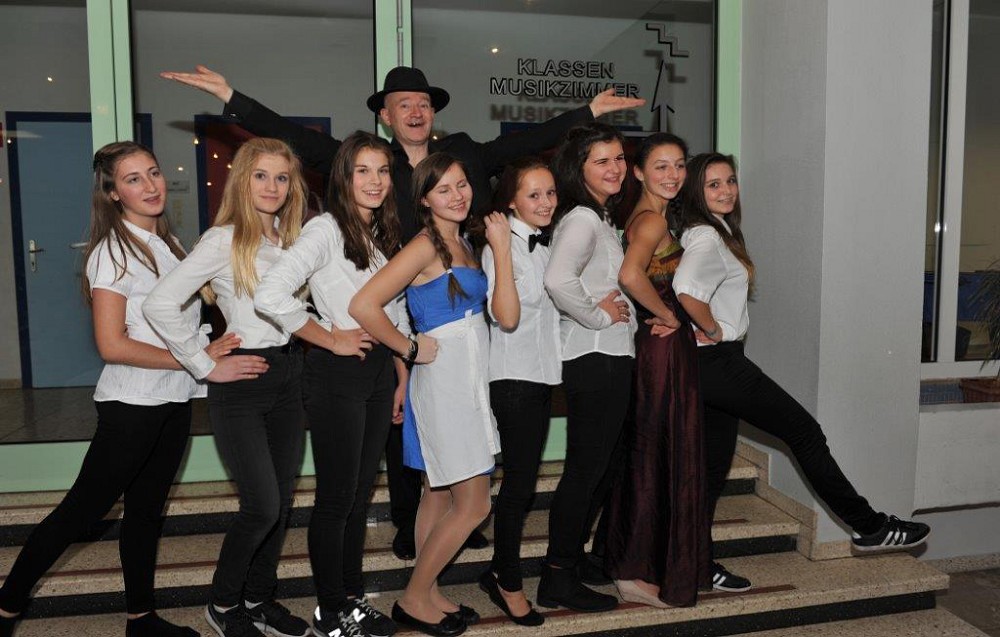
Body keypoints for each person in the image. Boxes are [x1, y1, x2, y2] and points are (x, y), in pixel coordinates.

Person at [0, 141, 263, 637]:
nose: (151, 185)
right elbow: (112, 344)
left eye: (154, 173)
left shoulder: (168, 244)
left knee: (145, 513)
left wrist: (205, 351)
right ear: (113, 193)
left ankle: (141, 619)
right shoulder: (112, 253)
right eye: (133, 179)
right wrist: (199, 360)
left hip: (173, 398)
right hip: (133, 404)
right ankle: (6, 607)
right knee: (81, 512)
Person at [672, 153, 932, 593]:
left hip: (709, 365)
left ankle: (697, 563)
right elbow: (685, 289)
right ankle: (869, 526)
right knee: (805, 433)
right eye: (713, 184)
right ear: (697, 191)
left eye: (730, 181)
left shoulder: (719, 231)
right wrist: (714, 329)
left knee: (713, 468)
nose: (726, 190)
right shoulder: (706, 236)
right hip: (719, 362)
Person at [143, 138, 311, 637]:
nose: (272, 187)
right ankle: (222, 604)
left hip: (289, 375)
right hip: (242, 382)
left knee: (281, 503)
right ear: (242, 181)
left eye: (281, 177)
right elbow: (159, 303)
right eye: (261, 176)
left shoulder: (293, 241)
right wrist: (203, 364)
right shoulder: (224, 240)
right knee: (262, 505)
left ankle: (258, 599)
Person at [349, 153, 518, 637]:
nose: (457, 195)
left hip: (469, 378)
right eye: (443, 189)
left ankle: (428, 592)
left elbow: (505, 317)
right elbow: (364, 304)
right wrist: (407, 348)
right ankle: (413, 597)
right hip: (444, 383)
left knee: (437, 494)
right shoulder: (423, 246)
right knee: (475, 504)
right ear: (424, 199)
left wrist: (502, 250)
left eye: (462, 185)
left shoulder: (464, 242)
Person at [253, 131, 406, 637]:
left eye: (382, 171)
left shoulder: (381, 230)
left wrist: (401, 373)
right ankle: (330, 612)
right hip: (337, 373)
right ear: (343, 176)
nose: (374, 181)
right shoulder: (324, 228)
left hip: (377, 370)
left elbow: (394, 310)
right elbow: (271, 294)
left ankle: (351, 600)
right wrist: (327, 337)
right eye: (362, 170)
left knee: (359, 497)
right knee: (338, 498)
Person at [604, 133, 712, 608]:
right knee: (657, 453)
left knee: (653, 450)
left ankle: (636, 563)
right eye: (661, 166)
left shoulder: (649, 215)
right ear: (639, 172)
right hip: (663, 349)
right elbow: (630, 275)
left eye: (680, 165)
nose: (673, 175)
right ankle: (636, 570)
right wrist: (668, 314)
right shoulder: (650, 220)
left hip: (663, 348)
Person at [539, 122, 636, 613]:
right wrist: (598, 316)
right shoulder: (582, 218)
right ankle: (557, 576)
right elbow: (558, 280)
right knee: (585, 471)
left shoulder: (600, 216)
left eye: (618, 158)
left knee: (601, 469)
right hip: (594, 357)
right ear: (579, 169)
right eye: (602, 160)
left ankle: (572, 562)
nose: (615, 167)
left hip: (609, 356)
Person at [476, 157, 560, 627]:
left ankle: (498, 571)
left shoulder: (545, 243)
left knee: (523, 484)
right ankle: (506, 580)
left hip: (541, 376)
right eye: (534, 194)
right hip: (512, 379)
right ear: (511, 200)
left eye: (550, 193)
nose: (545, 202)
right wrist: (503, 249)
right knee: (518, 486)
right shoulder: (501, 245)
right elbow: (505, 316)